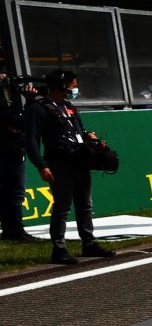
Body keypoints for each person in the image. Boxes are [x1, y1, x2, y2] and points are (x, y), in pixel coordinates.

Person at [23, 70, 115, 264]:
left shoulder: (69, 106)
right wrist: (41, 166)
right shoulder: (38, 109)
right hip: (58, 163)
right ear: (60, 85)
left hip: (80, 160)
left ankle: (88, 243)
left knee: (85, 205)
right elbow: (31, 141)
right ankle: (59, 248)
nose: (75, 89)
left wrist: (91, 138)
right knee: (62, 207)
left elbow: (78, 131)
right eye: (72, 85)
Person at [0, 72, 32, 243]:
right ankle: (15, 231)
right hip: (10, 148)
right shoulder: (7, 107)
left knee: (9, 192)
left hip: (11, 147)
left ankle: (11, 230)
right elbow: (16, 122)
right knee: (14, 192)